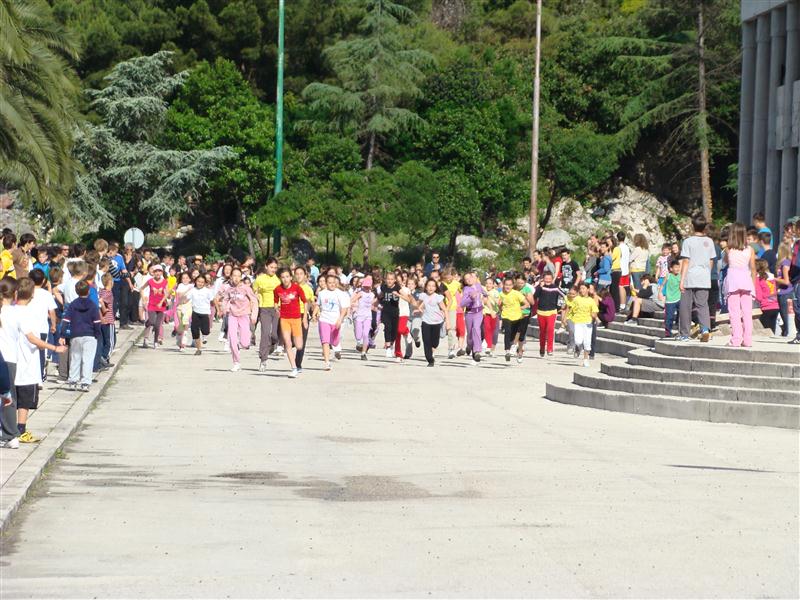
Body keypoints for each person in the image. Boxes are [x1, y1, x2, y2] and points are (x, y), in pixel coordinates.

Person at [11, 278, 66, 441]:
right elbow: (33, 339)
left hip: (11, 362)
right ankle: (21, 429)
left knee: (11, 398)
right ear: (31, 295)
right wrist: (54, 348)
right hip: (27, 362)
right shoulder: (27, 314)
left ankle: (9, 428)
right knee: (24, 400)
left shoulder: (8, 311)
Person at [678, 215, 715, 342]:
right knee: (702, 305)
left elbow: (686, 261)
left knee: (685, 306)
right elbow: (711, 261)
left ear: (693, 226)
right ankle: (705, 329)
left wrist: (682, 280)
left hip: (690, 276)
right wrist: (706, 273)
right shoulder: (709, 241)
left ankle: (684, 334)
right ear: (705, 227)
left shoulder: (688, 241)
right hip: (704, 276)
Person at [60, 280, 101, 392]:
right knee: (88, 359)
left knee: (75, 358)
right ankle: (85, 382)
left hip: (76, 334)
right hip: (90, 334)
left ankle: (73, 381)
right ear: (89, 291)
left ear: (76, 291)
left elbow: (66, 320)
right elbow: (97, 322)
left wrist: (62, 334)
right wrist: (97, 333)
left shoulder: (73, 304)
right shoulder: (92, 305)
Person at [219, 267, 258, 372]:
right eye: (234, 276)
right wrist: (224, 310)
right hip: (232, 315)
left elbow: (254, 301)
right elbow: (225, 300)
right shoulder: (229, 289)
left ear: (241, 277)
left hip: (244, 315)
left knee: (245, 343)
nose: (236, 278)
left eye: (238, 276)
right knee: (232, 339)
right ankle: (236, 362)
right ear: (231, 277)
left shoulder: (246, 288)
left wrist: (254, 315)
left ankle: (242, 343)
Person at [724, 222, 756, 348]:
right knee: (747, 312)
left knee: (734, 312)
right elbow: (753, 268)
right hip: (746, 281)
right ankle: (747, 340)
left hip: (733, 281)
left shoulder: (728, 249)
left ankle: (736, 339)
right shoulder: (750, 250)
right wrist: (753, 285)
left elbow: (726, 261)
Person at [314, 274, 350, 371]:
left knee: (334, 342)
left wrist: (340, 319)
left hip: (335, 320)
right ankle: (327, 362)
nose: (332, 284)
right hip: (324, 320)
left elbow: (344, 308)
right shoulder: (322, 293)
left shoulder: (340, 293)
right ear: (326, 283)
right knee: (325, 341)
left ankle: (335, 342)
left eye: (334, 283)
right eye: (330, 283)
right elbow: (318, 304)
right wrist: (314, 314)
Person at [253, 258, 281, 371]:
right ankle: (263, 359)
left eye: (275, 268)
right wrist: (256, 296)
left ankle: (273, 345)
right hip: (264, 309)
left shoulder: (278, 280)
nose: (273, 269)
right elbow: (253, 291)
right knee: (265, 333)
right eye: (271, 267)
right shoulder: (260, 279)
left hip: (277, 309)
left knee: (274, 334)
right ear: (266, 266)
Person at [412, 278, 447, 366]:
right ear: (426, 287)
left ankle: (433, 349)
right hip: (425, 321)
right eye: (429, 286)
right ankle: (430, 360)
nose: (431, 288)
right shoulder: (423, 295)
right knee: (426, 341)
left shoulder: (438, 297)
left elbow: (444, 309)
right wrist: (418, 309)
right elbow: (417, 304)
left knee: (435, 343)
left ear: (435, 288)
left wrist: (448, 322)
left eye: (433, 286)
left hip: (436, 322)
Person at [498, 276, 530, 364]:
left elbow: (527, 304)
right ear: (503, 285)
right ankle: (507, 351)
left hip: (517, 317)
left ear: (512, 286)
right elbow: (500, 305)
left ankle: (513, 346)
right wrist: (501, 309)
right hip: (506, 316)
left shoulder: (516, 294)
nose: (507, 287)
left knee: (513, 335)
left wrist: (520, 308)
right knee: (507, 331)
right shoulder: (501, 294)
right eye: (506, 285)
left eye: (509, 285)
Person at [459, 271, 485, 364]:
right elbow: (462, 304)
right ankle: (469, 346)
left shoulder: (478, 285)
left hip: (479, 312)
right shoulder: (466, 289)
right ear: (465, 282)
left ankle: (477, 351)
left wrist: (486, 295)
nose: (469, 280)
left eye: (470, 277)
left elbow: (484, 292)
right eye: (466, 279)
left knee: (476, 329)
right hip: (470, 313)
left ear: (473, 278)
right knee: (470, 334)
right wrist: (470, 298)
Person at [571, 282, 599, 367]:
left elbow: (594, 311)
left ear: (587, 289)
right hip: (578, 322)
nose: (582, 290)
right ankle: (578, 348)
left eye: (583, 288)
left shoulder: (591, 300)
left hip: (588, 323)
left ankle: (586, 359)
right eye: (580, 288)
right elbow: (572, 309)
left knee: (587, 342)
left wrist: (595, 316)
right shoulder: (576, 299)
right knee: (578, 341)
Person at [534, 272, 561, 357]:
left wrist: (560, 307)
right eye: (546, 279)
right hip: (541, 312)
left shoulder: (555, 288)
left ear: (552, 279)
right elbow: (535, 296)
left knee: (550, 329)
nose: (548, 280)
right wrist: (540, 287)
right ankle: (542, 348)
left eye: (549, 279)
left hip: (552, 312)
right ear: (543, 279)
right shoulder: (540, 287)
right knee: (542, 331)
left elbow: (564, 296)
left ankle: (550, 349)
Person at [140, 265, 168, 349]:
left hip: (161, 306)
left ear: (162, 273)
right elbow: (141, 289)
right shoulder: (150, 281)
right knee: (152, 322)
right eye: (156, 271)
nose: (157, 273)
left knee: (157, 325)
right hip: (152, 305)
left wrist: (162, 302)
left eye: (159, 271)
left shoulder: (164, 282)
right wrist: (143, 298)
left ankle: (155, 341)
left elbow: (166, 293)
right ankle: (147, 323)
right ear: (153, 273)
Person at [293, 266, 315, 372]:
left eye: (301, 274)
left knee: (302, 341)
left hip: (303, 315)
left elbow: (311, 303)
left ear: (305, 276)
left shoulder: (309, 289)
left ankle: (298, 364)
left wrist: (314, 313)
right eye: (297, 274)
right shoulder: (290, 287)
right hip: (291, 315)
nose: (299, 276)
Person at [187, 274, 216, 356]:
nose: (200, 283)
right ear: (195, 281)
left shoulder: (207, 291)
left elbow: (213, 300)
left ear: (204, 283)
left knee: (206, 331)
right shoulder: (192, 290)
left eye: (202, 282)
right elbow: (187, 298)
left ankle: (204, 335)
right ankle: (198, 349)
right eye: (198, 281)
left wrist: (219, 309)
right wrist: (181, 302)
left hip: (205, 313)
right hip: (195, 312)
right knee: (194, 331)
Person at [379, 271, 402, 360]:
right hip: (385, 311)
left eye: (391, 279)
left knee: (394, 331)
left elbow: (404, 295)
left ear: (395, 280)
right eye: (388, 279)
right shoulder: (383, 287)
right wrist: (376, 302)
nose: (389, 281)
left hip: (395, 312)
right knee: (387, 327)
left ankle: (391, 343)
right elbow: (380, 295)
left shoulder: (397, 287)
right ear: (385, 280)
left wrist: (398, 294)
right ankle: (388, 347)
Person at [350, 277, 375, 361]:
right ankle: (359, 343)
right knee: (358, 336)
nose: (367, 288)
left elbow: (374, 304)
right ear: (363, 286)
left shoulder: (372, 295)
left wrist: (376, 307)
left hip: (368, 317)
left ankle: (363, 353)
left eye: (368, 286)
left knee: (365, 334)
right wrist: (352, 307)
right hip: (359, 316)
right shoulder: (360, 293)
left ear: (371, 286)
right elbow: (351, 300)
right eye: (365, 286)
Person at [774, 241, 794, 337]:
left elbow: (786, 281)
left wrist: (774, 279)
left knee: (786, 318)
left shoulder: (786, 263)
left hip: (786, 293)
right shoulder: (783, 263)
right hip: (782, 292)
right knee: (784, 317)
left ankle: (788, 333)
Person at [755, 259, 779, 333]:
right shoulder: (772, 277)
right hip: (775, 306)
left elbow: (759, 297)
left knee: (766, 331)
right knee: (772, 330)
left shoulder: (758, 279)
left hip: (765, 307)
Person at [97, 273, 116, 368]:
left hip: (102, 320)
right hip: (108, 320)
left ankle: (104, 358)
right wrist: (104, 308)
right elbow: (100, 300)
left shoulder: (101, 291)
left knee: (104, 341)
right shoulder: (108, 293)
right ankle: (104, 357)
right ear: (110, 282)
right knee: (111, 341)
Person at [659, 260, 681, 337]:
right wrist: (660, 293)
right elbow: (662, 284)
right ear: (671, 269)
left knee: (681, 314)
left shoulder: (680, 276)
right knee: (669, 317)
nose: (677, 269)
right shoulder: (668, 275)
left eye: (678, 267)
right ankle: (668, 332)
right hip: (669, 300)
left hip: (679, 298)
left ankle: (680, 328)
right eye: (676, 267)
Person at [173, 272, 193, 351]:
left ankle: (184, 337)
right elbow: (180, 295)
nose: (185, 279)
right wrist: (187, 290)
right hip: (180, 306)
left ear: (190, 279)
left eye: (187, 278)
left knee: (186, 321)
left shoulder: (192, 286)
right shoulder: (180, 286)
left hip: (188, 306)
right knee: (181, 325)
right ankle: (179, 337)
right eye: (183, 278)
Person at [482, 277, 501, 357]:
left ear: (493, 285)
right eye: (487, 283)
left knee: (494, 332)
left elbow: (498, 303)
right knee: (487, 329)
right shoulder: (483, 291)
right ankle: (488, 346)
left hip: (494, 314)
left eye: (490, 283)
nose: (488, 285)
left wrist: (491, 296)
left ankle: (492, 350)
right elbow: (482, 301)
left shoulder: (495, 292)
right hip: (486, 313)